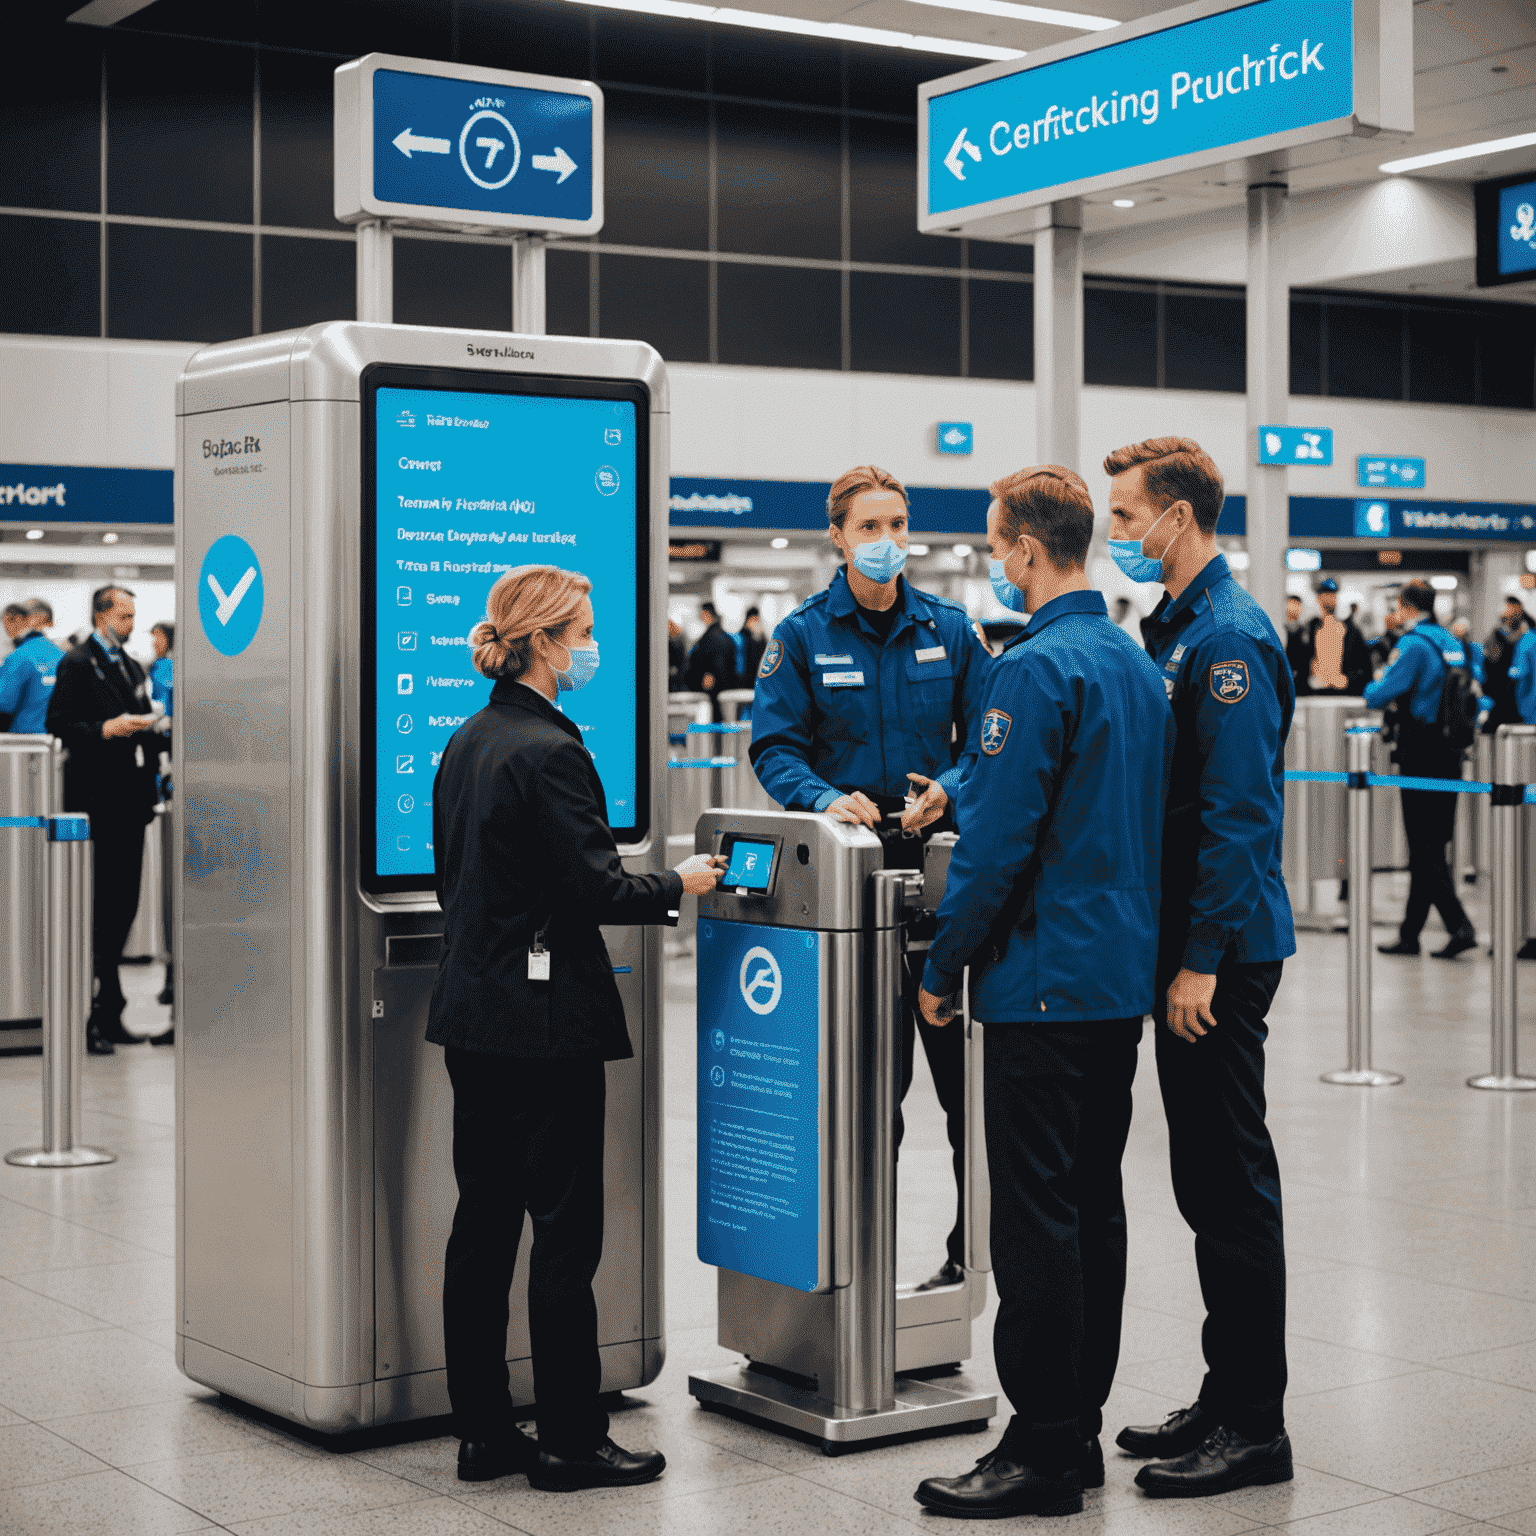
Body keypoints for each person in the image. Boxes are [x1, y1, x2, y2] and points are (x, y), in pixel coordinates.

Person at [911, 467, 1174, 1520]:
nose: (991, 560)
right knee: (1091, 1208)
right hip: (1115, 981)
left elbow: (996, 847)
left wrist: (941, 967)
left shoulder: (1031, 671)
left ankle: (1041, 1448)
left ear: (1026, 549)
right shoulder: (1131, 661)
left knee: (1032, 1223)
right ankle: (1078, 1427)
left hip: (1040, 984)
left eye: (993, 543)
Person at [428, 564, 724, 1491]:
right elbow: (594, 887)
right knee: (564, 1233)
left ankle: (483, 1431)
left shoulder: (470, 739)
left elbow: (459, 881)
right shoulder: (552, 751)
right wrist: (683, 884)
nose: (594, 646)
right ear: (547, 643)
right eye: (584, 631)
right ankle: (568, 1436)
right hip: (545, 1027)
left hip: (474, 1015)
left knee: (481, 1228)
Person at [1104, 437, 1296, 1498]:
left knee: (1230, 1187)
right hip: (1185, 945)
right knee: (1200, 1180)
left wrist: (1200, 964)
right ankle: (1225, 1396)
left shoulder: (1227, 636)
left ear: (1178, 518)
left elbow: (1238, 818)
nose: (1118, 535)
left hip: (1218, 957)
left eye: (1128, 517)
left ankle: (1255, 1425)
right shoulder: (1171, 626)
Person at [749, 464, 992, 1289]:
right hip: (849, 893)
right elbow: (773, 746)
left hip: (943, 886)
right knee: (864, 1098)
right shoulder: (804, 636)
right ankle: (860, 1264)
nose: (887, 541)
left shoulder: (951, 630)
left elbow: (990, 740)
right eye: (869, 527)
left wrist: (950, 788)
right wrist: (822, 797)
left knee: (970, 1095)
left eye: (897, 524)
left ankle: (971, 1256)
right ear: (839, 538)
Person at [45, 586, 163, 1055]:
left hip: (131, 803)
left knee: (123, 906)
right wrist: (103, 730)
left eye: (134, 615)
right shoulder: (77, 663)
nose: (131, 622)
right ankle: (93, 1014)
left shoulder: (131, 665)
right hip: (96, 801)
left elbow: (141, 725)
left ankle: (112, 1009)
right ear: (100, 615)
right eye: (123, 614)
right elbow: (58, 723)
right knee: (97, 909)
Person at [1369, 582, 1477, 960]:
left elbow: (1377, 694)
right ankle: (1410, 933)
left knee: (1424, 847)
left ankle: (1459, 926)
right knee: (1432, 845)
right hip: (1451, 753)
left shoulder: (1413, 645)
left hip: (1421, 752)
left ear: (1406, 606)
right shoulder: (1452, 642)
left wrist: (1377, 678)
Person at [1292, 578, 1371, 696]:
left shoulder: (1351, 632)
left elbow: (1365, 668)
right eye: (1323, 596)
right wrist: (1307, 682)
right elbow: (1297, 665)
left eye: (1331, 596)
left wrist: (1347, 680)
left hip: (1344, 694)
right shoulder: (1307, 631)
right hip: (1314, 694)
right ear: (1318, 600)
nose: (1327, 600)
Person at [0, 599, 62, 733]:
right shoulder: (62, 656)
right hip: (56, 739)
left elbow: (4, 706)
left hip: (22, 742)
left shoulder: (18, 657)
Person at [1483, 597, 1529, 731]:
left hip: (1517, 700)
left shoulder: (1526, 637)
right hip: (1498, 700)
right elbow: (1489, 664)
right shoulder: (1496, 635)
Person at [683, 601, 737, 712]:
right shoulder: (724, 637)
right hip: (723, 689)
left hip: (713, 690)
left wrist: (711, 676)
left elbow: (718, 664)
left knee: (714, 719)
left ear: (707, 614)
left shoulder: (711, 638)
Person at [148, 621, 174, 717]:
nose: (154, 643)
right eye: (154, 637)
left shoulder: (165, 664)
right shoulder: (156, 665)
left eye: (159, 637)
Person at [740, 606, 768, 684]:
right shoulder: (743, 636)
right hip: (746, 676)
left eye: (756, 620)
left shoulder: (761, 636)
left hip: (757, 675)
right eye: (753, 620)